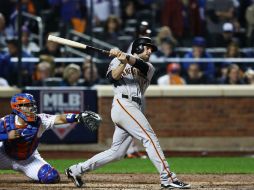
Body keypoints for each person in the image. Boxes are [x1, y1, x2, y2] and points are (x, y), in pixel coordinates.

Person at [65, 37, 191, 189]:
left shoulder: (149, 67)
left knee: (116, 153)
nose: (150, 51)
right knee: (149, 137)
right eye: (147, 47)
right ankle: (168, 178)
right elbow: (113, 77)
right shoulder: (117, 61)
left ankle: (76, 170)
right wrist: (122, 60)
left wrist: (125, 57)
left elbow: (138, 64)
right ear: (137, 48)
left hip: (133, 107)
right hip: (123, 104)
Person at [0, 93, 99, 183]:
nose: (31, 108)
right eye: (27, 105)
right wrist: (6, 136)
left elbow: (59, 118)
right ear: (17, 107)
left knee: (51, 177)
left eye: (32, 105)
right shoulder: (5, 121)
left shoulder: (40, 120)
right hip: (4, 155)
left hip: (28, 160)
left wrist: (78, 117)